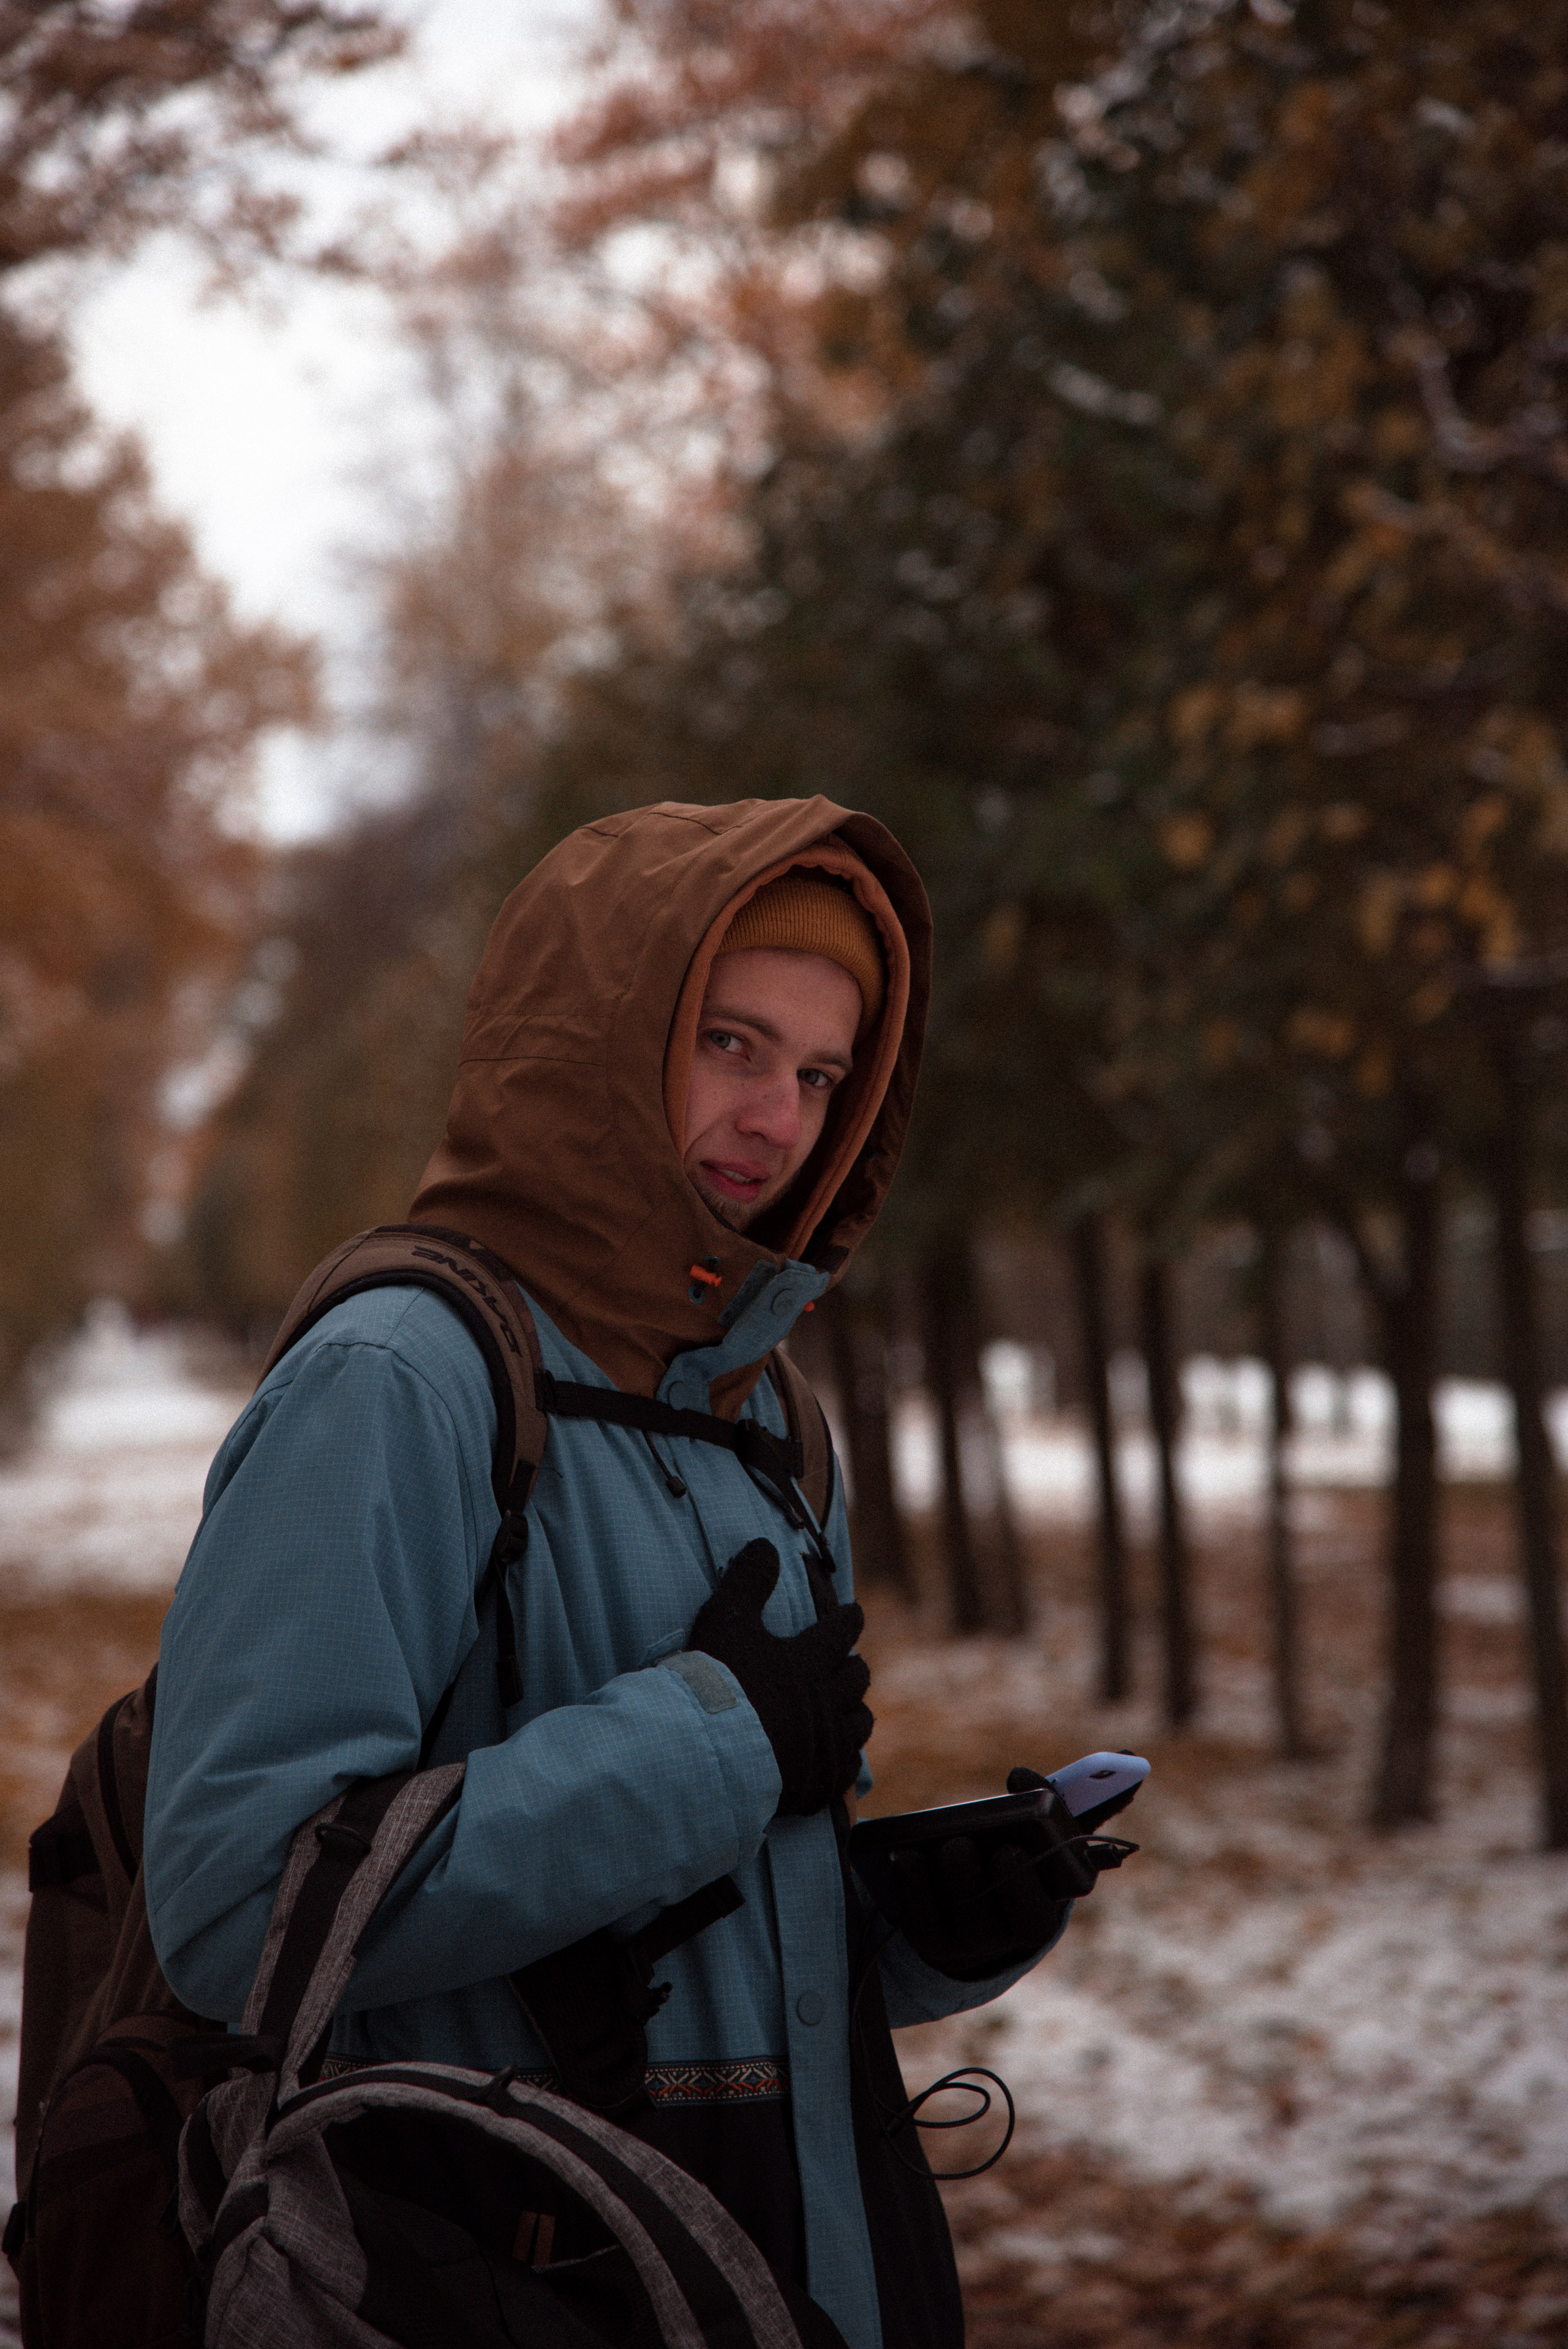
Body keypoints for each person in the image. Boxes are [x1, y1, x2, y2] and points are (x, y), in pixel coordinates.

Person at [143, 797, 1075, 2349]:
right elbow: (245, 1910)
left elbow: (682, 1913)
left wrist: (910, 1919)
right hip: (484, 2275)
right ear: (587, 1041)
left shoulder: (769, 1417)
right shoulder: (403, 1379)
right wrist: (714, 1741)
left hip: (777, 2267)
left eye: (820, 1073)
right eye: (729, 1043)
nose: (777, 1119)